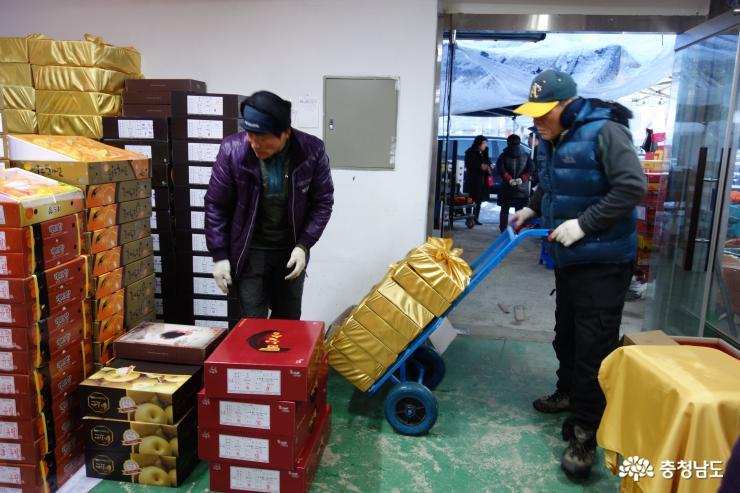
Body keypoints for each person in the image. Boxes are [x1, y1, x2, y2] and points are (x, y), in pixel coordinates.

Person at [510, 69, 647, 480]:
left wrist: (584, 225)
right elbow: (552, 184)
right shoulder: (554, 138)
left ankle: (586, 432)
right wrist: (533, 206)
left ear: (566, 106)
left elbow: (631, 187)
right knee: (565, 334)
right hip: (569, 259)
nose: (535, 121)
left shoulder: (606, 132)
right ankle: (568, 392)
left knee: (593, 346)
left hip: (604, 262)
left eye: (543, 112)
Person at [205, 90, 334, 320]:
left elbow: (322, 202)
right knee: (251, 324)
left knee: (288, 321)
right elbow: (216, 205)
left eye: (262, 137)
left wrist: (304, 245)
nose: (254, 143)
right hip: (250, 252)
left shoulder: (311, 152)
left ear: (285, 133)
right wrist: (219, 256)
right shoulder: (232, 151)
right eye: (250, 135)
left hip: (290, 251)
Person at [495, 134, 532, 232]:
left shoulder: (503, 155)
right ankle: (516, 230)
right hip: (521, 189)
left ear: (508, 143)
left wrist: (509, 179)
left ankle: (503, 230)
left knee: (504, 210)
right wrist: (521, 179)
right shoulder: (526, 155)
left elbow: (500, 170)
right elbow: (531, 170)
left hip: (506, 188)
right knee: (519, 211)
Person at [463, 135, 491, 225]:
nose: (485, 145)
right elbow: (469, 165)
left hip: (482, 180)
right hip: (472, 179)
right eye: (484, 143)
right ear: (478, 144)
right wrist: (480, 166)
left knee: (478, 200)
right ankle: (468, 218)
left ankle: (475, 218)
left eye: (486, 143)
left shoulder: (485, 152)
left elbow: (487, 161)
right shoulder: (470, 152)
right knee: (470, 199)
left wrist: (488, 165)